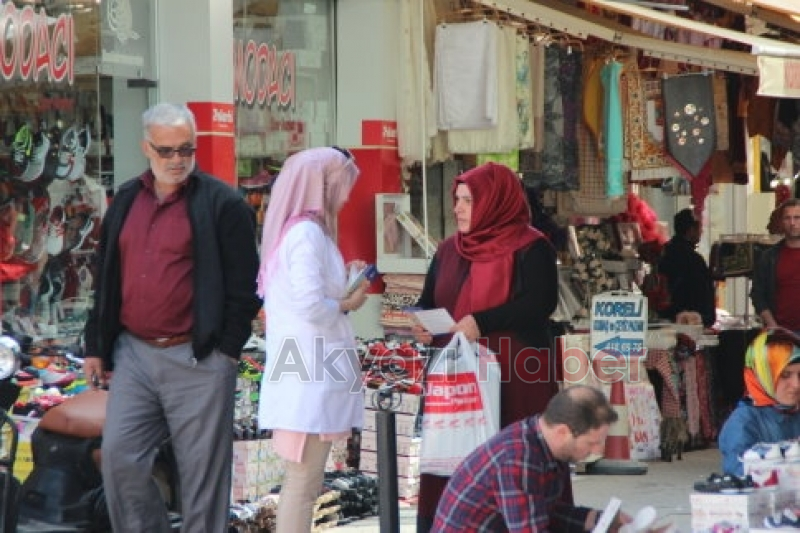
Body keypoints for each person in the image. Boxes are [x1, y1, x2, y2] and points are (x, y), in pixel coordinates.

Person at [82, 102, 261, 533]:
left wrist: (225, 353)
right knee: (120, 459)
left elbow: (246, 288)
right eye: (167, 151)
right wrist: (96, 346)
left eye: (186, 149)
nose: (178, 159)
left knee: (202, 479)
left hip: (197, 358)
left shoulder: (224, 204)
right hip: (135, 354)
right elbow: (106, 276)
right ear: (146, 147)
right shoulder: (126, 199)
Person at [414, 162, 561, 531]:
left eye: (468, 201)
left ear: (495, 202)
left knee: (516, 465)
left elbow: (540, 303)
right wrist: (422, 324)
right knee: (456, 459)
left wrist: (482, 322)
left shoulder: (531, 247)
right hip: (460, 380)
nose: (458, 209)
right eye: (457, 200)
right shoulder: (449, 250)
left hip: (517, 377)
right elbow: (428, 300)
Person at [256, 147, 368, 533]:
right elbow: (310, 304)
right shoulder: (305, 233)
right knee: (302, 484)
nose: (347, 193)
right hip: (307, 375)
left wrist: (342, 289)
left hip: (308, 371)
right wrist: (347, 301)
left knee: (304, 483)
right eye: (342, 183)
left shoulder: (305, 231)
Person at [433, 385, 631, 532]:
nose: (597, 450)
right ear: (563, 432)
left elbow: (542, 511)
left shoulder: (547, 444)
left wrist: (597, 519)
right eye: (591, 442)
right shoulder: (518, 457)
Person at [718, 328, 800, 476]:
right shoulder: (744, 422)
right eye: (785, 375)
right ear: (762, 376)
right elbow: (741, 475)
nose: (796, 384)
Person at [657, 208, 716, 328]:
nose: (702, 232)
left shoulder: (664, 253)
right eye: (699, 228)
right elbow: (703, 294)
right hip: (689, 321)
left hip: (665, 318)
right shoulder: (694, 259)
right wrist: (706, 318)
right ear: (690, 230)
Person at [751, 198, 800, 331]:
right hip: (781, 332)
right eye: (787, 218)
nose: (792, 223)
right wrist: (771, 324)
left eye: (797, 218)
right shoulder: (769, 257)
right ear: (781, 222)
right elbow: (757, 294)